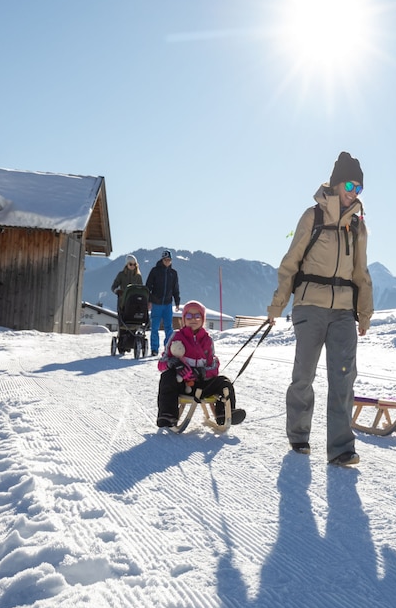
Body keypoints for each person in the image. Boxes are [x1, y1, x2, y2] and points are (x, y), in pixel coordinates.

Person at [266, 151, 374, 467]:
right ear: (338, 183)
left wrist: (364, 312)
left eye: (359, 188)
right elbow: (290, 264)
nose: (354, 192)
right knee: (304, 375)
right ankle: (299, 436)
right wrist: (277, 305)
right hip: (309, 305)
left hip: (343, 311)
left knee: (344, 378)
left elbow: (361, 273)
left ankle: (340, 448)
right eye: (351, 185)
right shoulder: (311, 217)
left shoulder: (357, 227)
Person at [156, 300, 246, 428]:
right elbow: (161, 364)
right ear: (184, 319)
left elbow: (214, 366)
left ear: (202, 319)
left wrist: (202, 372)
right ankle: (167, 415)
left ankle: (224, 414)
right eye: (189, 316)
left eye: (197, 316)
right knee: (167, 377)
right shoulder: (176, 337)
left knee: (224, 382)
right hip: (181, 384)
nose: (193, 319)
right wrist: (174, 363)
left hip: (202, 384)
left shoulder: (207, 340)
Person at [145, 249, 181, 356]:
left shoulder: (173, 273)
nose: (167, 261)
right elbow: (148, 287)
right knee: (155, 327)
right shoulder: (155, 271)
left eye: (169, 260)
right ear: (162, 260)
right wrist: (149, 300)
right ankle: (154, 349)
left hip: (168, 304)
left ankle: (168, 349)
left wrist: (177, 301)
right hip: (156, 304)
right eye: (165, 260)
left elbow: (176, 288)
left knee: (168, 327)